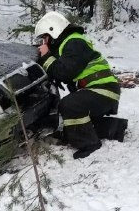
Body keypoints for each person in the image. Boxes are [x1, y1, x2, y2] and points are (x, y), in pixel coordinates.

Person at [35, 11, 121, 159]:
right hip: (101, 89)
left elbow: (64, 72)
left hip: (103, 90)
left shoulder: (74, 43)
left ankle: (89, 143)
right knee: (70, 104)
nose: (44, 42)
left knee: (69, 104)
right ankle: (108, 129)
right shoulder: (69, 43)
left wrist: (47, 57)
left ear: (53, 31)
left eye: (45, 38)